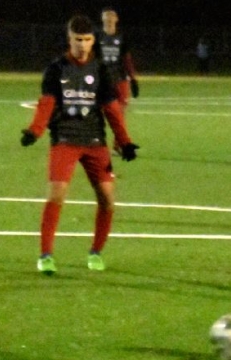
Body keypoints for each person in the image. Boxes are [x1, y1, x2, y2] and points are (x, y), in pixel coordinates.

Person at [19, 14, 140, 275]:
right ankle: (46, 256)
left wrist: (124, 141)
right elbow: (47, 103)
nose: (82, 45)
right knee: (56, 195)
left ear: (93, 40)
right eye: (77, 40)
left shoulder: (101, 70)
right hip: (65, 139)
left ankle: (96, 252)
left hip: (95, 141)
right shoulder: (56, 69)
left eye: (86, 40)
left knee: (108, 200)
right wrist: (35, 130)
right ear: (69, 39)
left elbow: (112, 109)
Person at [97, 8, 140, 106]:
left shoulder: (122, 37)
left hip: (120, 78)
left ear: (116, 19)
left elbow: (127, 59)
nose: (109, 19)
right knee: (102, 107)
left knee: (120, 108)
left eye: (111, 16)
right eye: (107, 16)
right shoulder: (96, 37)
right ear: (102, 19)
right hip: (102, 79)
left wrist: (133, 79)